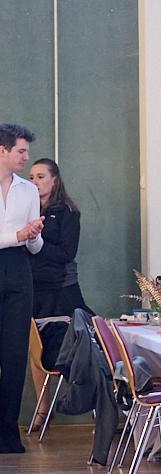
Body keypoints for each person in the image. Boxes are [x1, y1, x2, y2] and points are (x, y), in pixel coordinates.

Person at [0, 123, 45, 454]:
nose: (26, 158)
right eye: (21, 151)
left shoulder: (28, 191)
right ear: (2, 151)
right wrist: (16, 235)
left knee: (14, 355)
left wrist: (32, 234)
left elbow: (35, 248)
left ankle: (8, 434)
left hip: (18, 271)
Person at [28, 159, 93, 368]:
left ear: (54, 181)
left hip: (61, 288)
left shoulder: (67, 212)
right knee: (39, 351)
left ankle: (77, 397)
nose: (35, 182)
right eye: (31, 178)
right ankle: (45, 402)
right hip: (34, 288)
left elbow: (67, 252)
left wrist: (37, 244)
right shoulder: (28, 211)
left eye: (40, 177)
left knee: (67, 349)